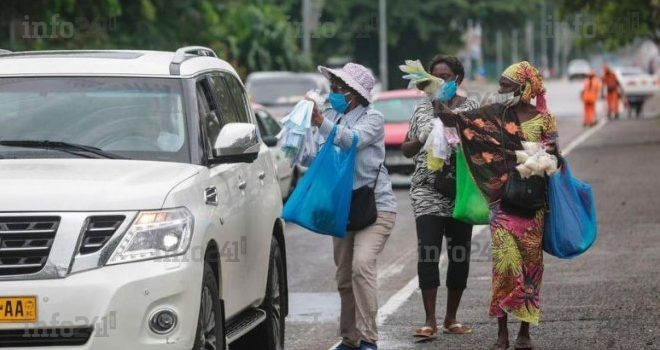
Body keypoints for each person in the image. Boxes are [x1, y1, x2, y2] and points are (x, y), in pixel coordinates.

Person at [435, 61, 561, 350]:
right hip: (502, 204)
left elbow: (553, 158)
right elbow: (455, 121)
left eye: (506, 85)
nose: (500, 90)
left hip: (533, 205)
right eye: (501, 84)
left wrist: (527, 157)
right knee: (505, 265)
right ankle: (502, 332)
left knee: (531, 268)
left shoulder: (545, 119)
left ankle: (524, 332)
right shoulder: (494, 114)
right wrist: (436, 96)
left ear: (522, 87)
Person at [305, 62, 397, 350]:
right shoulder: (332, 115)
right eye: (332, 87)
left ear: (355, 94)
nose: (333, 93)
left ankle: (368, 337)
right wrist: (305, 124)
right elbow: (311, 156)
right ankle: (349, 338)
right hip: (343, 208)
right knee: (344, 277)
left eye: (339, 88)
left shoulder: (373, 118)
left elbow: (351, 141)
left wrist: (321, 123)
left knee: (361, 267)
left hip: (376, 208)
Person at [400, 55, 478, 340]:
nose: (440, 81)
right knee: (428, 252)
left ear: (458, 79)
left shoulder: (470, 107)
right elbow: (407, 150)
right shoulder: (421, 109)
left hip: (460, 191)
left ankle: (451, 318)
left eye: (445, 76)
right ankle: (430, 321)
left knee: (460, 254)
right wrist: (421, 137)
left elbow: (479, 143)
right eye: (435, 76)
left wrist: (448, 117)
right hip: (427, 189)